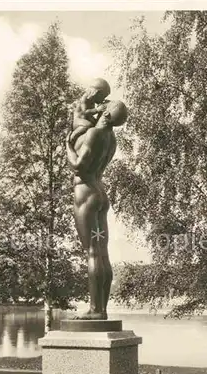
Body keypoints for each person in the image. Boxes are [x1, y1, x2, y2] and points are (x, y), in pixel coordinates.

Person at [66, 100, 128, 320]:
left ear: (107, 114)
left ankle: (94, 310)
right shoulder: (111, 139)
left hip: (86, 193)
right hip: (100, 194)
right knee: (102, 253)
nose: (101, 105)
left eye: (105, 105)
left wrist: (68, 146)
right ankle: (102, 309)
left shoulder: (93, 134)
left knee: (92, 252)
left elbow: (78, 166)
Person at [69, 78, 111, 146]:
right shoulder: (85, 99)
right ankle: (72, 137)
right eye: (103, 96)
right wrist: (97, 110)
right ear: (96, 92)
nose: (103, 99)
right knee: (89, 125)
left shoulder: (92, 101)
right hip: (79, 121)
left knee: (99, 126)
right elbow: (84, 112)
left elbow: (90, 115)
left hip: (86, 119)